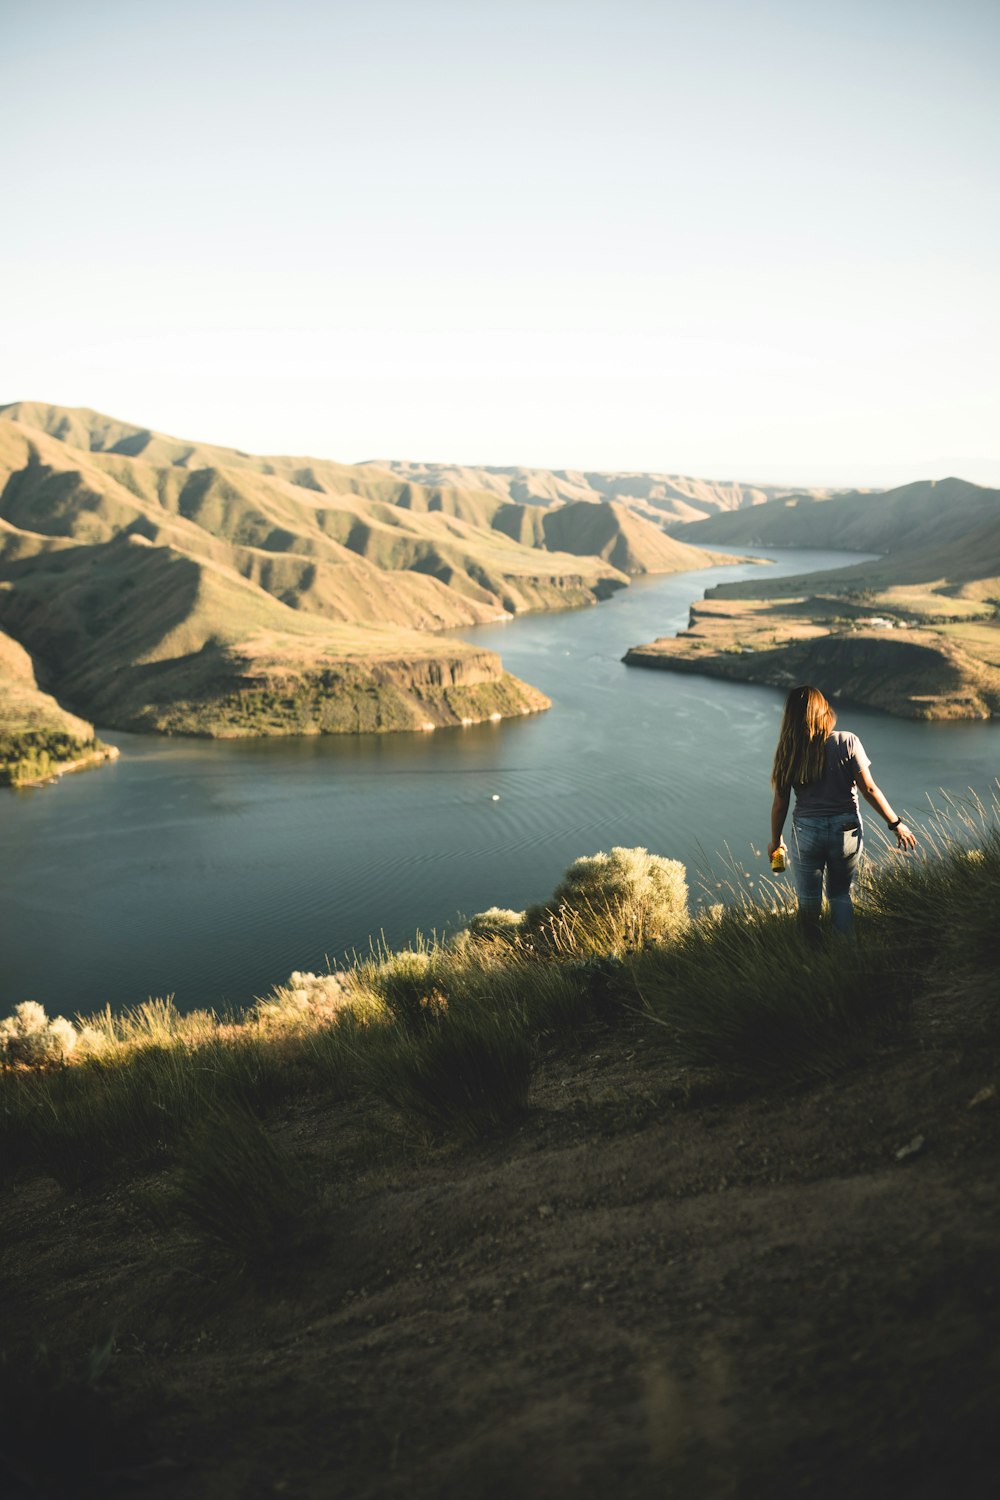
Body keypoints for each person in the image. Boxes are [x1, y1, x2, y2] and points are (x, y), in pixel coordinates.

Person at [767, 684, 916, 939]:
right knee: (839, 894)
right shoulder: (847, 741)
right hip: (847, 830)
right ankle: (845, 953)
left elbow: (781, 802)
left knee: (808, 899)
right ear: (823, 710)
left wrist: (776, 840)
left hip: (806, 832)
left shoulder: (788, 750)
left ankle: (810, 955)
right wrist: (895, 823)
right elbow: (868, 788)